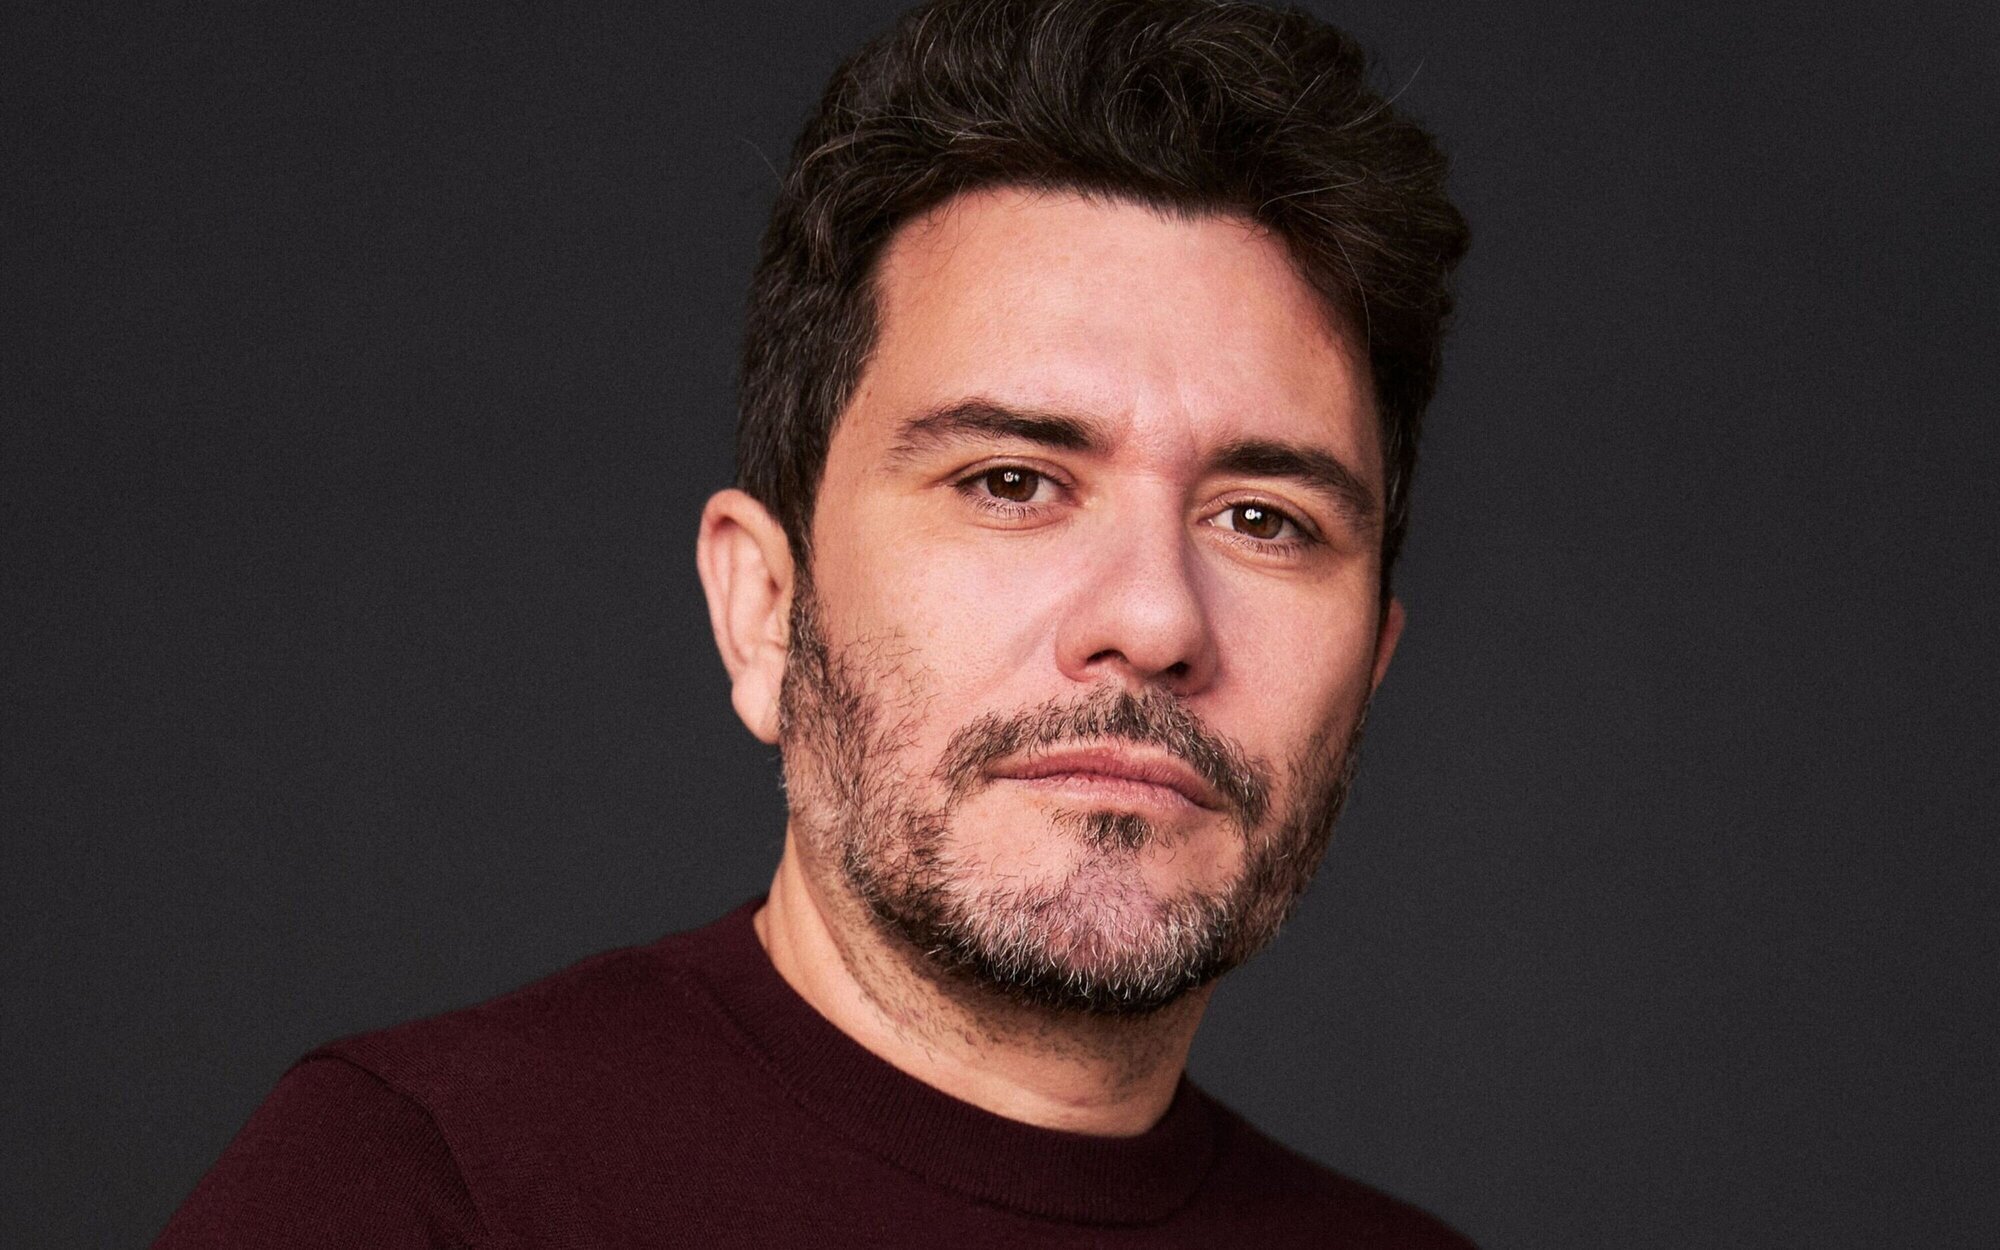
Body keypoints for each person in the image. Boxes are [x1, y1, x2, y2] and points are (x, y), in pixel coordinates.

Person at [157, 0, 1471, 1244]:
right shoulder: (418, 1195)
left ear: (1370, 672)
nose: (1154, 618)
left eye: (1264, 518)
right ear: (765, 610)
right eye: (1011, 483)